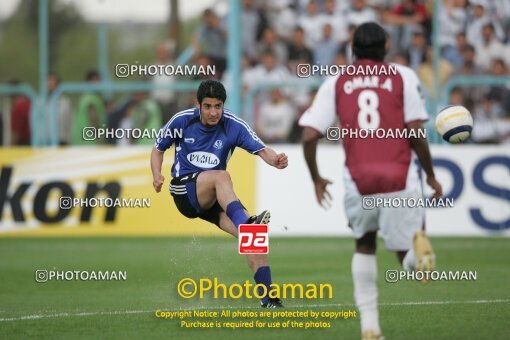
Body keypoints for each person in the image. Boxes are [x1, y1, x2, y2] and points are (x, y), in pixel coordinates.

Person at [299, 22, 443, 339]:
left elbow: (309, 136)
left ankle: (370, 327)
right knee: (404, 248)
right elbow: (416, 133)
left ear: (353, 48)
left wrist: (316, 178)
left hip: (358, 179)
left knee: (364, 245)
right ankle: (416, 261)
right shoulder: (403, 76)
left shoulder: (336, 81)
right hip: (399, 177)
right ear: (386, 48)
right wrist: (431, 175)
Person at [150, 80, 288, 308]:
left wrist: (274, 160)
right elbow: (158, 149)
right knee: (221, 176)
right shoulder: (183, 120)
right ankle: (247, 225)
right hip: (184, 191)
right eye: (208, 106)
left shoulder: (234, 125)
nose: (214, 112)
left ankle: (269, 299)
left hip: (213, 196)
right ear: (199, 105)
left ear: (223, 105)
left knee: (255, 242)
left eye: (218, 106)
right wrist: (157, 175)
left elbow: (262, 149)